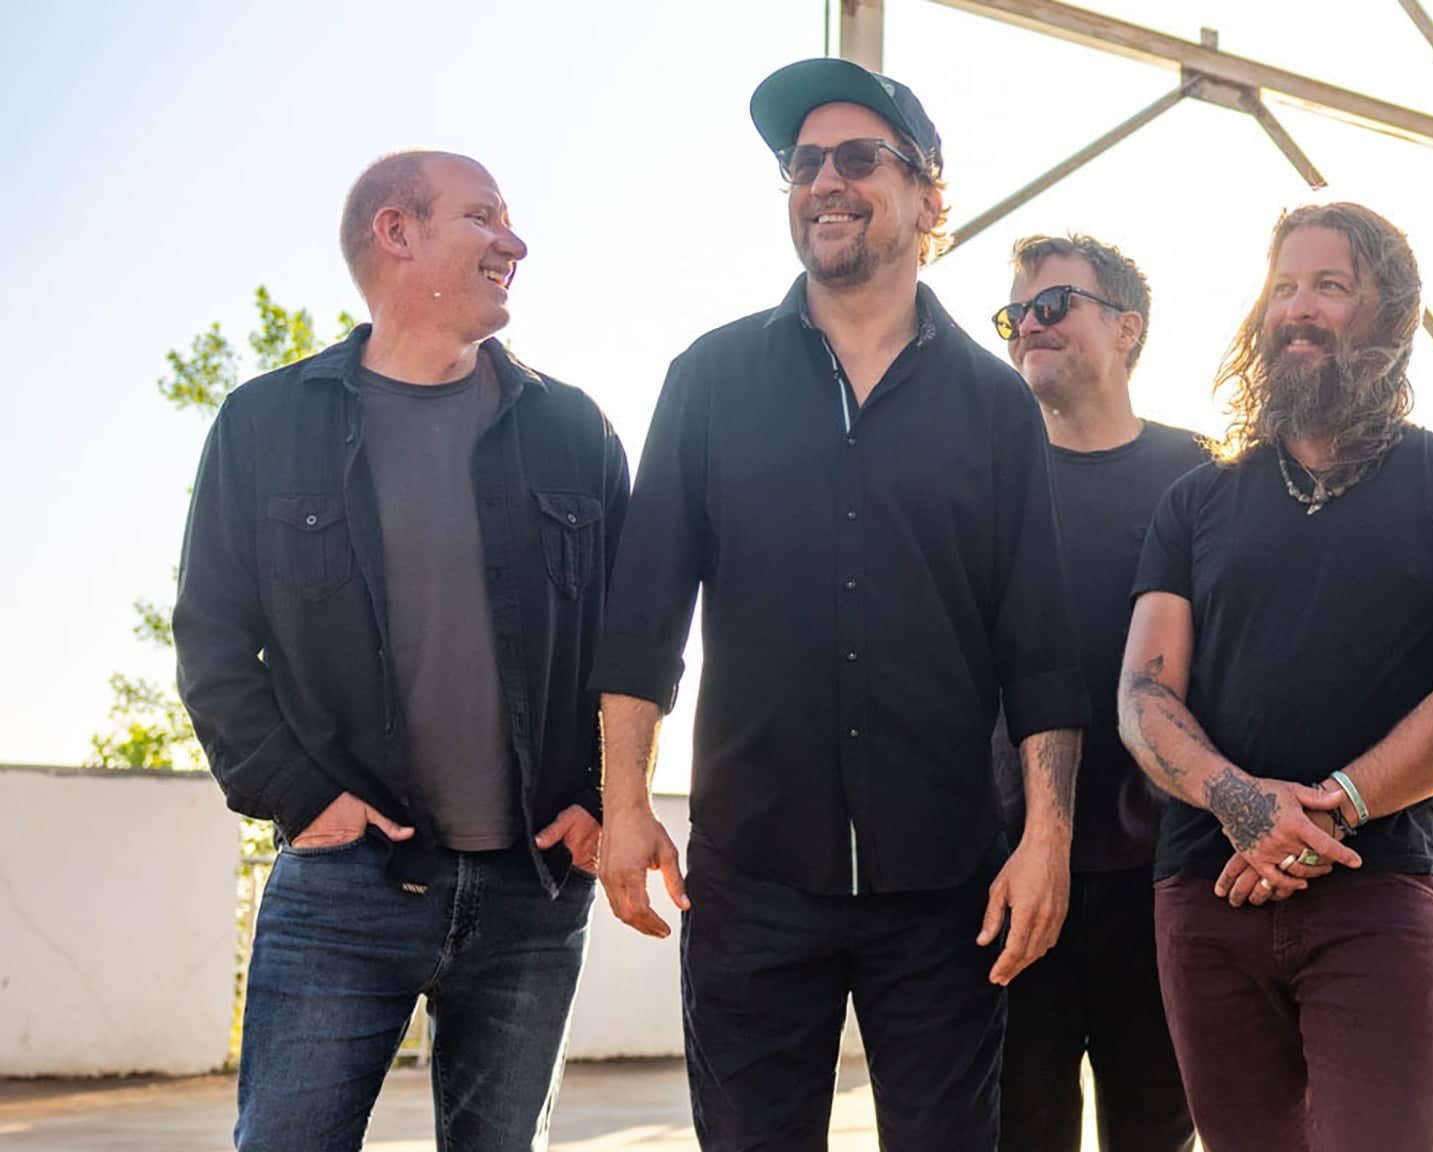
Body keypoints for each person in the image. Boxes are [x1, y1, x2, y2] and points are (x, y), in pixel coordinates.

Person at [588, 59, 1088, 1152]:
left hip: (946, 889)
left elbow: (1040, 651)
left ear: (926, 197)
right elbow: (643, 621)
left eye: (859, 158)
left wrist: (1045, 838)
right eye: (804, 163)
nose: (825, 181)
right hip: (750, 880)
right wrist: (623, 803)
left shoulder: (996, 406)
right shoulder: (709, 379)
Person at [174, 150, 627, 1150]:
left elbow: (629, 642)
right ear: (397, 231)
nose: (513, 241)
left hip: (535, 891)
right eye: (483, 217)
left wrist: (603, 795)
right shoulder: (267, 424)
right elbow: (211, 640)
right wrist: (301, 799)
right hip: (345, 883)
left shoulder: (572, 429)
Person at [1117, 202, 1433, 1152]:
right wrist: (1242, 805)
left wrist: (1324, 814)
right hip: (1208, 890)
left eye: (1330, 286)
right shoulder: (1197, 499)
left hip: (1378, 889)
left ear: (1391, 314)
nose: (1298, 308)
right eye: (1284, 286)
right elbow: (1143, 694)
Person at [990, 233, 1201, 1152]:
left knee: (1154, 1132)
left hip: (1165, 877)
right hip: (1008, 875)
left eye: (1053, 305)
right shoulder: (984, 481)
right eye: (1015, 314)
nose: (1029, 326)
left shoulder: (1202, 477)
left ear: (1127, 329)